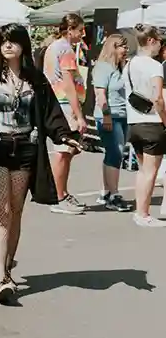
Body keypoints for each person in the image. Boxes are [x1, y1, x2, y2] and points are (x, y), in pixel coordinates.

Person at [0, 24, 82, 304]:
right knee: (1, 213)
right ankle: (2, 277)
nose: (8, 46)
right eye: (4, 41)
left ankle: (8, 265)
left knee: (15, 211)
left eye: (13, 41)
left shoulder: (36, 80)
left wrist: (66, 136)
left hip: (26, 150)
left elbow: (51, 115)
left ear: (23, 45)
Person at [42, 14, 88, 214]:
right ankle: (59, 197)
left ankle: (61, 194)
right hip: (64, 105)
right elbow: (68, 84)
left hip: (57, 103)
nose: (82, 34)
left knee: (66, 151)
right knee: (64, 152)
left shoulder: (54, 47)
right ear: (70, 30)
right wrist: (79, 115)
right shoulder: (65, 49)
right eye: (80, 30)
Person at [123, 24, 166, 227]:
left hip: (134, 122)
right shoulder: (154, 65)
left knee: (143, 170)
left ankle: (140, 211)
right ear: (151, 41)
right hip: (152, 123)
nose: (160, 47)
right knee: (150, 172)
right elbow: (158, 98)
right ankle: (143, 213)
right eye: (159, 42)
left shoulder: (129, 64)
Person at [92, 34, 131, 212]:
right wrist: (106, 116)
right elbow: (100, 94)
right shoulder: (102, 68)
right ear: (113, 48)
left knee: (112, 153)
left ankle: (107, 191)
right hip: (110, 116)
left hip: (122, 115)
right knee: (115, 153)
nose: (126, 50)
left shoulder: (120, 68)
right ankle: (114, 195)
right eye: (123, 47)